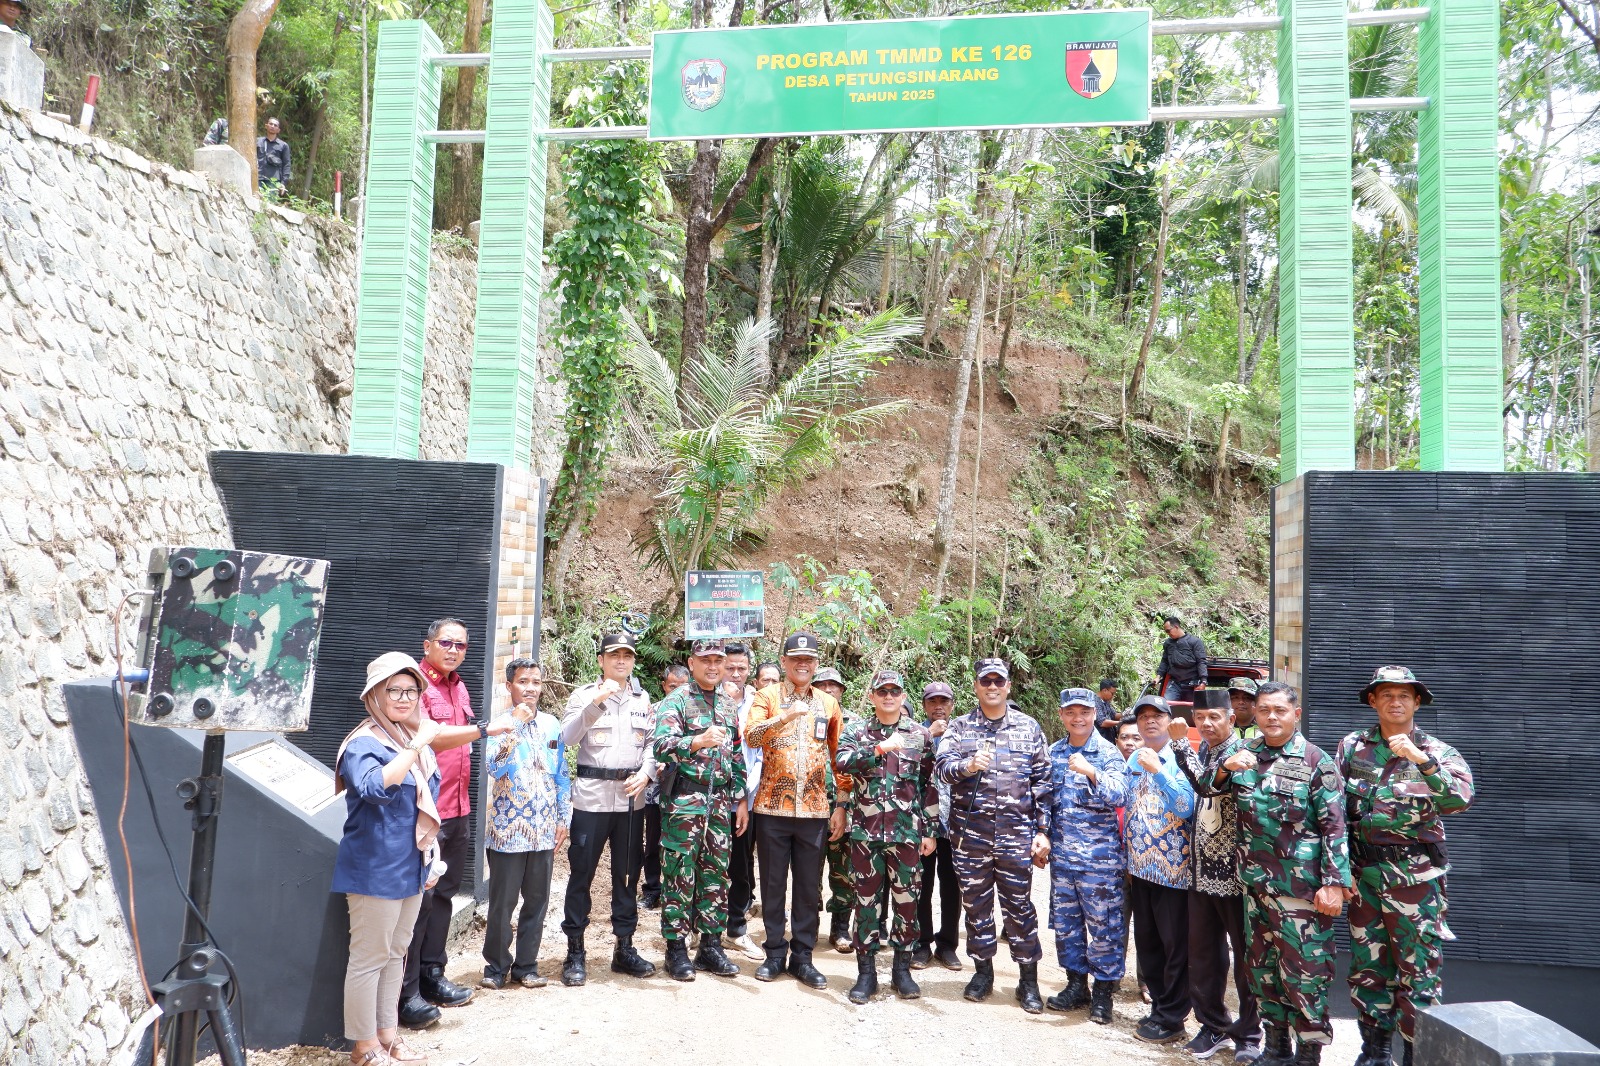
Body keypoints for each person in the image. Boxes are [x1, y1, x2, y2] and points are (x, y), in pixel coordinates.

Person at [1208, 682, 1350, 1066]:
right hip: (1255, 886)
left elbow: (1336, 828)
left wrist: (1335, 885)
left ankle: (1307, 1053)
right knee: (1263, 970)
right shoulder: (1244, 752)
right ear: (1254, 714)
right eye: (1264, 710)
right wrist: (1223, 768)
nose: (1272, 717)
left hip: (1301, 892)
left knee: (1306, 974)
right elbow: (1206, 789)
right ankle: (1275, 1048)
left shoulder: (1315, 761)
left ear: (1296, 715)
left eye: (1280, 710)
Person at [1339, 667, 1474, 1066]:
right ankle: (1375, 1052)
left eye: (1404, 695)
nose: (1395, 702)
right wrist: (1339, 870)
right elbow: (1332, 809)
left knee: (1419, 972)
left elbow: (1461, 800)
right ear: (1373, 701)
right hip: (1364, 877)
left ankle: (1417, 1054)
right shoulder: (1352, 746)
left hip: (1415, 881)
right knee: (1368, 968)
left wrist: (1423, 762)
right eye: (1386, 695)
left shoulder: (1439, 751)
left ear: (1417, 702)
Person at [400, 619, 512, 1029]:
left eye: (461, 645)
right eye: (446, 643)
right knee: (419, 902)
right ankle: (405, 993)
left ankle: (432, 974)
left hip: (458, 808)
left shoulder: (458, 685)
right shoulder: (413, 684)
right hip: (427, 810)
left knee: (445, 896)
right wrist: (484, 729)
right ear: (427, 644)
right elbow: (431, 737)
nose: (453, 650)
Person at [333, 652, 442, 1066]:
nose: (403, 698)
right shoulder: (365, 742)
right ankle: (363, 1047)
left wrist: (431, 858)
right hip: (374, 866)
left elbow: (426, 800)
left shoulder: (402, 739)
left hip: (410, 864)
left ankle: (388, 1036)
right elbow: (375, 787)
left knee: (396, 954)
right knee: (368, 958)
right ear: (374, 695)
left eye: (410, 691)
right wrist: (416, 744)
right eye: (393, 690)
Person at [933, 658, 1051, 1013]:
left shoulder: (1028, 728)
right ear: (977, 686)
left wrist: (1043, 831)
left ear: (1008, 686)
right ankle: (983, 973)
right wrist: (967, 766)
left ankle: (1027, 982)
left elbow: (1043, 783)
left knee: (1020, 908)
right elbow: (942, 768)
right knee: (977, 907)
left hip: (1016, 837)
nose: (993, 686)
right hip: (971, 837)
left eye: (999, 681)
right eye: (986, 681)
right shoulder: (960, 727)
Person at [744, 632, 846, 987]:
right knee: (773, 885)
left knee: (807, 888)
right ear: (784, 662)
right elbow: (752, 736)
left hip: (816, 811)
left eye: (809, 659)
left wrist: (842, 804)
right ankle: (774, 953)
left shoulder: (829, 705)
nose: (803, 664)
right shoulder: (767, 696)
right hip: (772, 808)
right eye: (796, 658)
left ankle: (803, 957)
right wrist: (785, 717)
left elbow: (839, 757)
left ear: (816, 665)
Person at [559, 632, 659, 985]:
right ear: (601, 659)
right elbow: (567, 737)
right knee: (581, 874)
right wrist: (595, 704)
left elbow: (651, 744)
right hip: (592, 798)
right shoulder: (584, 695)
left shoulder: (642, 698)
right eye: (614, 655)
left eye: (627, 656)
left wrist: (647, 772)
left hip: (631, 800)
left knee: (628, 875)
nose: (621, 661)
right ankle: (575, 951)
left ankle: (624, 948)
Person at [835, 669, 939, 1003]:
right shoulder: (858, 731)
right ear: (872, 696)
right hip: (866, 835)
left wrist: (930, 831)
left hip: (907, 833)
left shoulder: (920, 735)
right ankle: (866, 974)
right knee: (865, 902)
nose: (889, 696)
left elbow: (928, 785)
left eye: (895, 691)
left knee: (907, 902)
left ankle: (901, 970)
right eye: (883, 691)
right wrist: (878, 749)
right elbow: (842, 762)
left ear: (904, 697)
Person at [1172, 695, 1262, 1062]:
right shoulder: (1208, 751)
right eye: (1199, 718)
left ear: (1230, 717)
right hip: (1200, 874)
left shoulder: (1242, 753)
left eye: (1214, 717)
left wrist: (1180, 744)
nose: (1206, 724)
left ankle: (1250, 1033)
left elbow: (1207, 785)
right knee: (1204, 956)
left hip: (1235, 878)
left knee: (1245, 959)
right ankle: (1213, 1026)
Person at [652, 639, 749, 980]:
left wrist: (740, 800)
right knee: (679, 875)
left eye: (718, 661)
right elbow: (661, 747)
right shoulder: (675, 700)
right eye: (705, 660)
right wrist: (697, 741)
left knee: (716, 876)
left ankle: (710, 946)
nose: (712, 666)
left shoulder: (727, 703)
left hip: (721, 804)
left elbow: (736, 755)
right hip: (685, 802)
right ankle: (676, 949)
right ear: (692, 663)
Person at [481, 658, 570, 990]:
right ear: (510, 687)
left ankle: (526, 966)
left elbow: (561, 774)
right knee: (503, 903)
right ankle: (495, 967)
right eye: (523, 681)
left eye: (536, 681)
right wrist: (514, 726)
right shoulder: (499, 724)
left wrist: (564, 818)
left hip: (544, 830)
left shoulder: (551, 724)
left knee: (537, 900)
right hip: (507, 832)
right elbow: (495, 767)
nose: (530, 687)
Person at [1044, 688, 1130, 1025]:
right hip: (1063, 859)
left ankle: (1104, 994)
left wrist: (1092, 772)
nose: (1077, 718)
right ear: (1062, 715)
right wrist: (1043, 837)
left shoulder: (1107, 753)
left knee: (1105, 928)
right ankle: (1076, 985)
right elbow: (1047, 801)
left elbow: (1120, 794)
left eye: (1084, 712)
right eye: (1070, 712)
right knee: (1067, 927)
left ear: (1095, 713)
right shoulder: (1055, 752)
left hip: (1100, 862)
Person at [1123, 694, 1196, 1045]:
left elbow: (1186, 806)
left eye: (1157, 715)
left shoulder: (1181, 757)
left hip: (1174, 872)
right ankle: (1159, 1008)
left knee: (1174, 947)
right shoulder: (1133, 760)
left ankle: (1173, 1016)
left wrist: (1160, 770)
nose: (1150, 721)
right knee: (1148, 944)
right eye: (1143, 716)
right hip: (1140, 870)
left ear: (1169, 720)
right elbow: (1128, 807)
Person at [911, 681, 962, 971]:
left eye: (944, 701)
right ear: (924, 705)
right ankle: (921, 944)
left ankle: (947, 945)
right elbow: (900, 763)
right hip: (920, 823)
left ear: (952, 704)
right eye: (932, 701)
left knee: (952, 886)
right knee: (921, 884)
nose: (938, 706)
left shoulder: (963, 733)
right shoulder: (913, 731)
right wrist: (928, 735)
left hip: (955, 823)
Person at [721, 642, 766, 962]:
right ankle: (701, 929)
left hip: (744, 801)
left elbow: (760, 754)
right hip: (706, 798)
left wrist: (744, 797)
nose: (735, 674)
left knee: (740, 866)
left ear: (749, 670)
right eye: (729, 668)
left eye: (741, 668)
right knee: (704, 865)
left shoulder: (759, 704)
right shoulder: (706, 699)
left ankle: (736, 929)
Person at [812, 666, 856, 953]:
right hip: (809, 810)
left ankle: (840, 929)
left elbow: (855, 770)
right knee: (807, 873)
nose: (829, 690)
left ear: (842, 690)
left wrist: (842, 804)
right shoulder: (805, 719)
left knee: (844, 873)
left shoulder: (855, 725)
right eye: (823, 685)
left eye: (834, 685)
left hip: (845, 811)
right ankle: (808, 927)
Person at [639, 663, 690, 910]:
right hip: (655, 791)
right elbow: (647, 745)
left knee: (682, 845)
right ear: (663, 686)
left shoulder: (696, 713)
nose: (677, 691)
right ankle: (651, 889)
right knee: (653, 842)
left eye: (683, 686)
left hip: (686, 793)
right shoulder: (655, 711)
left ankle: (677, 893)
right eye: (672, 686)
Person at [1156, 615, 1209, 705]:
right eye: (1166, 632)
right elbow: (1164, 661)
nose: (1168, 634)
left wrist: (1203, 681)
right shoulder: (1168, 643)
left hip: (1192, 683)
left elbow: (1201, 662)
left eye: (1168, 631)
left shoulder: (1194, 642)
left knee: (1192, 709)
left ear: (1176, 627)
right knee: (1166, 706)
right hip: (1174, 682)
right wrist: (1158, 676)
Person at [257, 116, 292, 195]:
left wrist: (283, 183)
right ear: (266, 126)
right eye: (271, 124)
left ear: (278, 130)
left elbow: (286, 164)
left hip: (273, 181)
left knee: (270, 204)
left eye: (275, 125)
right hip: (258, 178)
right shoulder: (258, 141)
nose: (272, 126)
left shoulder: (283, 145)